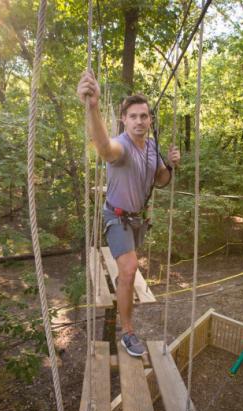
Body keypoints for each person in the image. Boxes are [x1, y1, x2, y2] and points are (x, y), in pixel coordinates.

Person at [77, 71, 180, 357]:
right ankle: (128, 332)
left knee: (128, 270)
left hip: (138, 220)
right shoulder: (120, 145)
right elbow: (104, 148)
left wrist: (169, 166)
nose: (139, 121)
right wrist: (93, 107)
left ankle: (123, 300)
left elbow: (160, 180)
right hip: (116, 217)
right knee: (129, 269)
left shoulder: (151, 149)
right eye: (133, 116)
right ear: (124, 120)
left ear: (150, 120)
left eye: (144, 116)